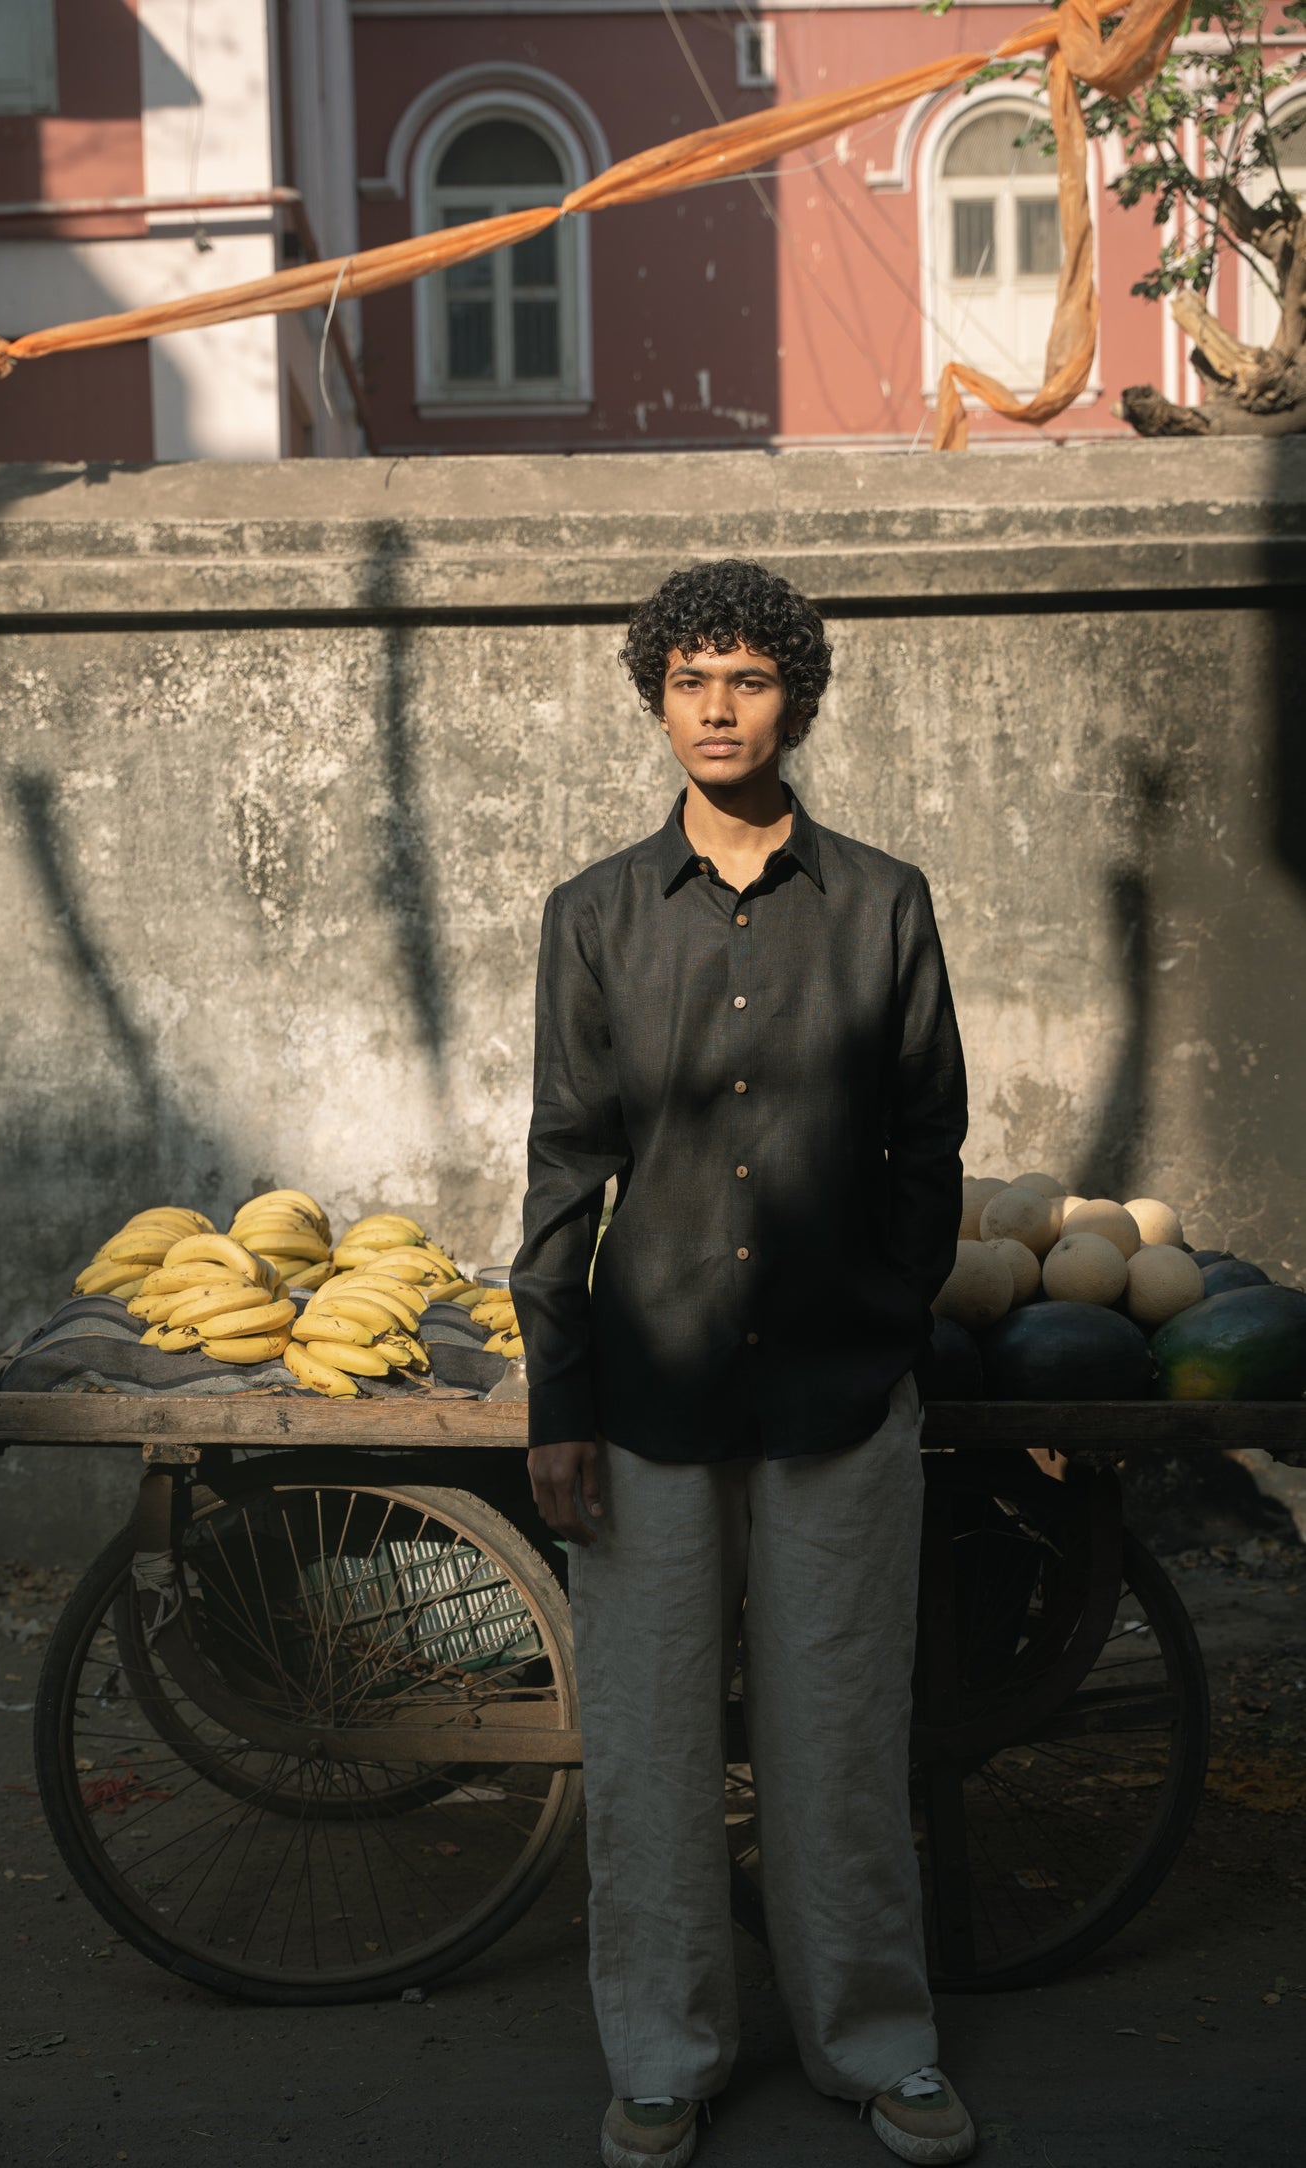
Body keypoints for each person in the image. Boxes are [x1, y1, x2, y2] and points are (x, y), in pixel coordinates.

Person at [510, 559, 973, 2168]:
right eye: (689, 677)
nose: (717, 706)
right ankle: (663, 2049)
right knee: (645, 1750)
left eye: (748, 679)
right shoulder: (593, 917)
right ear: (655, 698)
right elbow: (566, 1170)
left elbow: (930, 1148)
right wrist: (556, 1399)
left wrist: (885, 1317)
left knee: (840, 1732)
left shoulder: (885, 902)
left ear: (796, 699)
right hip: (644, 1394)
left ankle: (876, 2044)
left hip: (839, 1399)